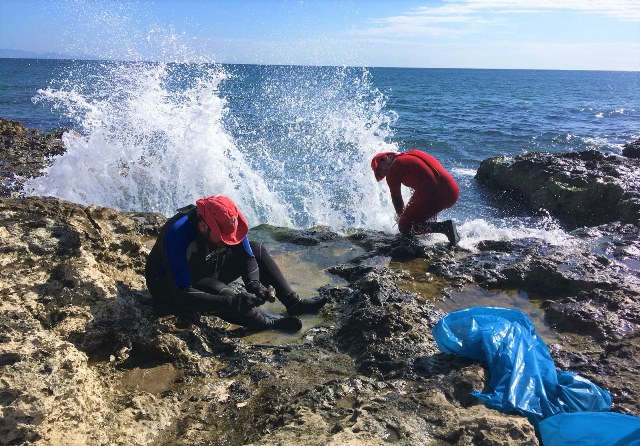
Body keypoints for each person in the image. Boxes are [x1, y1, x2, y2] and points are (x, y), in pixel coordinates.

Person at [145, 195, 327, 331]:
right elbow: (182, 290)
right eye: (223, 238)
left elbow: (248, 256)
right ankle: (266, 323)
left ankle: (294, 303)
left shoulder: (226, 222)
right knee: (218, 290)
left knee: (257, 249)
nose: (228, 242)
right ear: (203, 226)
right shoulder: (177, 234)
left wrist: (254, 284)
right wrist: (230, 302)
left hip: (207, 265)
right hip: (173, 288)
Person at [371, 149, 460, 245]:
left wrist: (402, 223)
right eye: (380, 174)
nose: (383, 174)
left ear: (386, 158)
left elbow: (397, 199)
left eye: (379, 169)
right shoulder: (413, 153)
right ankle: (429, 236)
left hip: (436, 196)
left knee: (404, 226)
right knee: (412, 211)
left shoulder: (393, 170)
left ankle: (444, 228)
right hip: (453, 191)